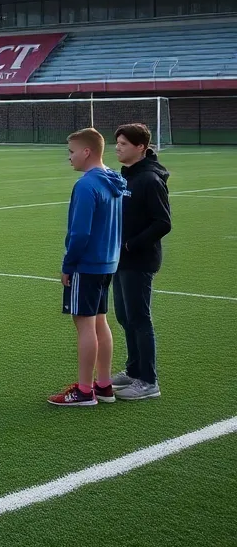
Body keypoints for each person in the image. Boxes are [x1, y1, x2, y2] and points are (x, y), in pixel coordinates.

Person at [48, 127, 127, 407]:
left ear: (86, 151)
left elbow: (80, 233)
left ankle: (84, 391)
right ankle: (103, 385)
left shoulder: (86, 185)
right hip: (108, 263)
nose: (69, 158)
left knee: (84, 326)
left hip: (88, 264)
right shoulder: (115, 180)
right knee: (100, 322)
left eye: (71, 152)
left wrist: (68, 265)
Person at [111, 123, 171, 401]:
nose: (117, 148)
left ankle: (149, 380)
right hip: (119, 259)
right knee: (124, 316)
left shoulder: (149, 179)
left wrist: (130, 244)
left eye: (123, 144)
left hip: (139, 259)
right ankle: (134, 370)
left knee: (139, 318)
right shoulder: (127, 176)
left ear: (140, 148)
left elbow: (162, 223)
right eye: (117, 143)